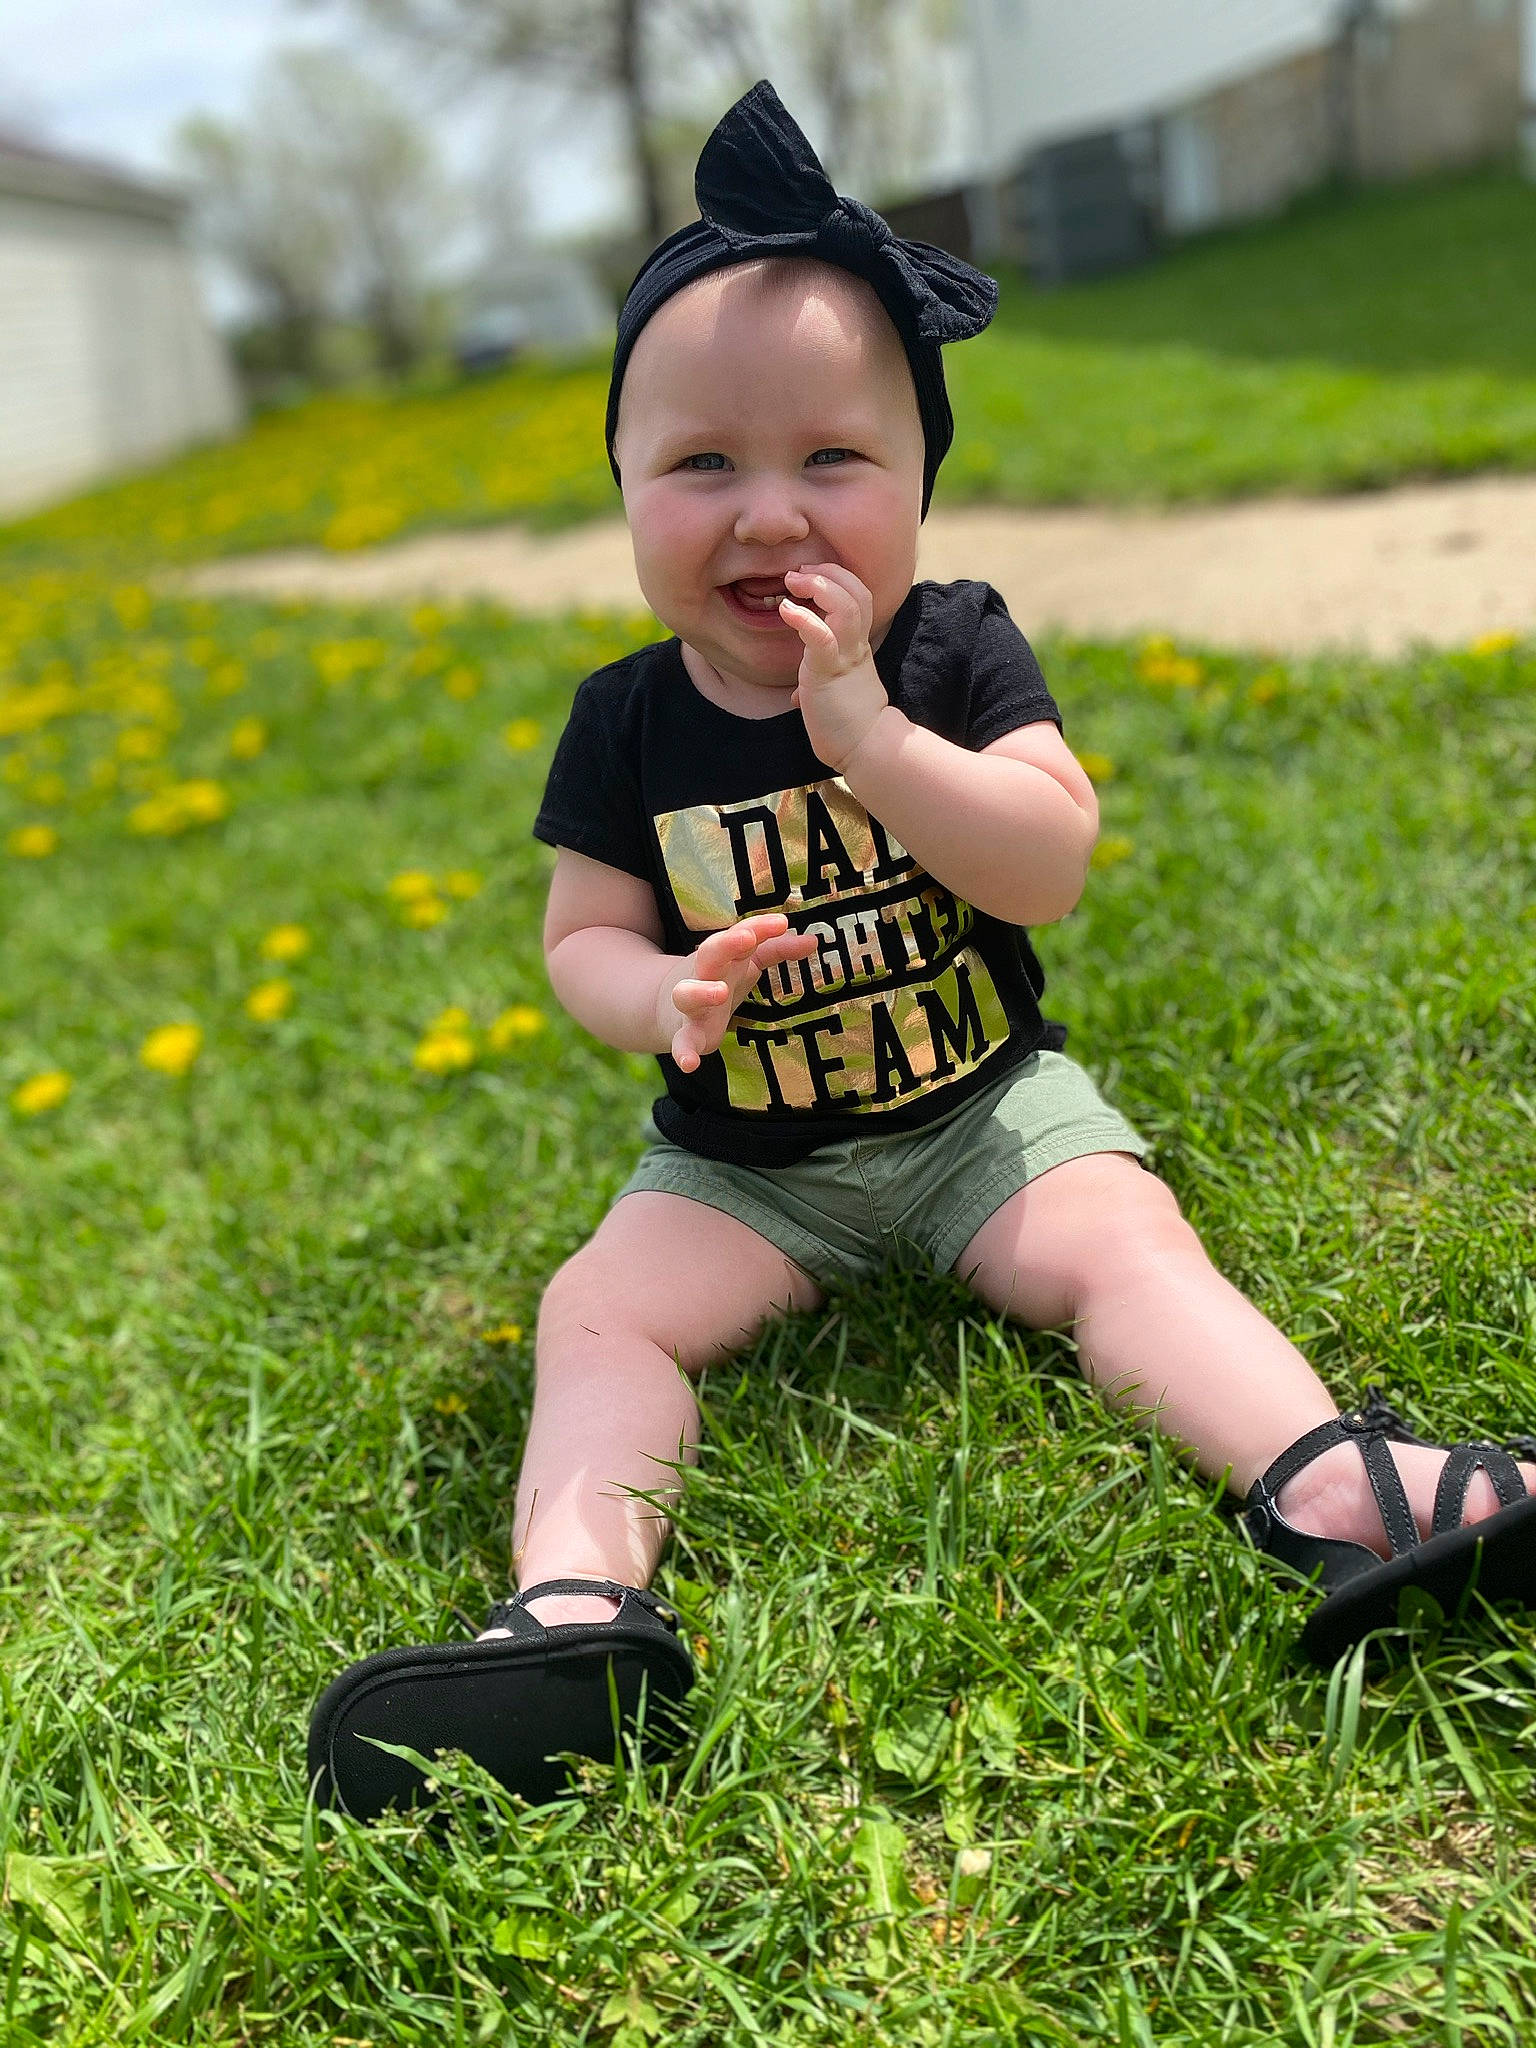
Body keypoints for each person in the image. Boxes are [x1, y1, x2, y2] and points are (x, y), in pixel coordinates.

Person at [308, 84, 1536, 1821]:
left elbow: (1049, 864)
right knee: (597, 1311)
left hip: (982, 1116)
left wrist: (873, 739)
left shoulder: (954, 652)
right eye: (702, 464)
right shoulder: (629, 723)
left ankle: (1335, 1482)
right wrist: (651, 994)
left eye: (833, 459)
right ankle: (578, 1611)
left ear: (920, 486)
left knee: (1125, 1238)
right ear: (626, 494)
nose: (770, 513)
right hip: (747, 1172)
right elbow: (579, 934)